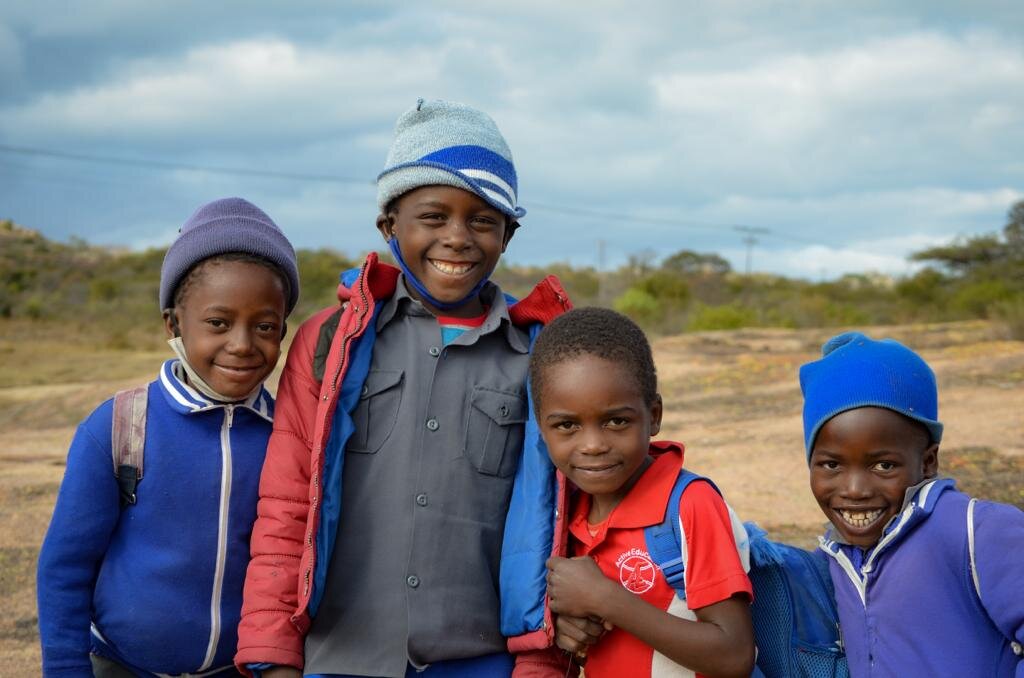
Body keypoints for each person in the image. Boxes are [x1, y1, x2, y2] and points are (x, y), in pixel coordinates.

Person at [235, 99, 572, 678]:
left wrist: (541, 663)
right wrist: (274, 654)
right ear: (389, 224)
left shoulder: (543, 354)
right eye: (434, 216)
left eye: (484, 219)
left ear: (507, 235)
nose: (459, 238)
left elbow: (561, 515)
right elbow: (287, 505)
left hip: (482, 661)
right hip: (340, 657)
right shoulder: (329, 341)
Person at [36, 197, 300, 677]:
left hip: (236, 671)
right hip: (121, 666)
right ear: (173, 324)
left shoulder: (287, 436)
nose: (242, 344)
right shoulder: (118, 429)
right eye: (218, 323)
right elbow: (64, 570)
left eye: (265, 326)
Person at [533, 307, 755, 678]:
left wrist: (605, 598)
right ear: (542, 428)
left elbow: (733, 655)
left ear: (653, 415)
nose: (592, 445)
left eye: (616, 421)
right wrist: (570, 626)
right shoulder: (562, 512)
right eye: (567, 425)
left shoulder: (690, 505)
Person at [800, 331, 1024, 676]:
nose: (855, 490)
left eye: (883, 465)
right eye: (832, 465)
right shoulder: (832, 558)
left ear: (928, 461)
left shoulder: (977, 534)